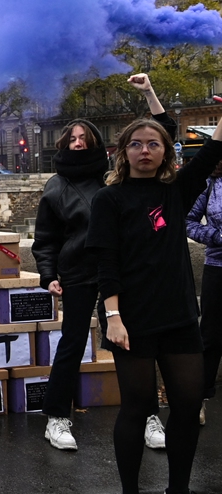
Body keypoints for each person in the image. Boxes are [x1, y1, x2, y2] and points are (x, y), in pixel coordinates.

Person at [87, 109, 222, 494]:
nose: (145, 150)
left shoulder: (175, 193)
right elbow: (105, 261)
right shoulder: (108, 200)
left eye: (154, 144)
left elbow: (213, 150)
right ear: (123, 153)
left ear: (166, 153)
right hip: (131, 318)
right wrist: (113, 315)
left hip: (179, 316)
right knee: (137, 407)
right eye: (136, 144)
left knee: (186, 403)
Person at [34, 74, 172, 452]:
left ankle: (147, 416)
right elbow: (46, 238)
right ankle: (57, 417)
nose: (78, 143)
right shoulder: (55, 187)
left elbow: (161, 134)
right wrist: (49, 275)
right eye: (73, 139)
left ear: (95, 144)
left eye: (85, 139)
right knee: (73, 343)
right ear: (65, 145)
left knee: (135, 344)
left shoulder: (115, 178)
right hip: (78, 272)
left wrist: (148, 93)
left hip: (122, 271)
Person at [185, 158, 222, 427]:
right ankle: (199, 399)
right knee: (210, 337)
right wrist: (216, 236)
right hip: (217, 267)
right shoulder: (210, 184)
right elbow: (187, 221)